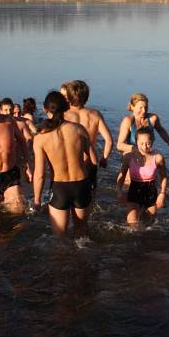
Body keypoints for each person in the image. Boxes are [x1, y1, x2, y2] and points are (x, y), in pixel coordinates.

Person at [32, 91, 97, 237]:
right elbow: (94, 161)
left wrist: (37, 200)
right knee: (82, 233)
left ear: (45, 109)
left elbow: (40, 174)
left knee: (60, 238)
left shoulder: (41, 137)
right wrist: (91, 185)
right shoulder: (79, 130)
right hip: (81, 185)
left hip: (60, 188)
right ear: (66, 107)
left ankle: (64, 259)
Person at [61, 80, 114, 188]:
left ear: (68, 96)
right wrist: (104, 158)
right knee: (90, 195)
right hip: (89, 162)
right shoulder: (95, 115)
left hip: (68, 161)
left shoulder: (63, 115)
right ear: (87, 97)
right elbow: (109, 141)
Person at [116, 126, 168, 224]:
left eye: (148, 143)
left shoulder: (158, 158)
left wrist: (162, 194)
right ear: (136, 142)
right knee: (132, 224)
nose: (145, 147)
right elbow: (121, 176)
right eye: (141, 144)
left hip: (151, 193)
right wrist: (119, 191)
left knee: (149, 225)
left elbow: (163, 176)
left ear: (152, 142)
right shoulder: (128, 157)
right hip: (134, 192)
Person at [116, 93, 169, 157]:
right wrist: (140, 149)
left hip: (147, 154)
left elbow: (161, 131)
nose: (144, 111)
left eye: (146, 107)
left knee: (160, 159)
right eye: (141, 108)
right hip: (131, 155)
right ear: (132, 107)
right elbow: (119, 145)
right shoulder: (128, 121)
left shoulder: (152, 119)